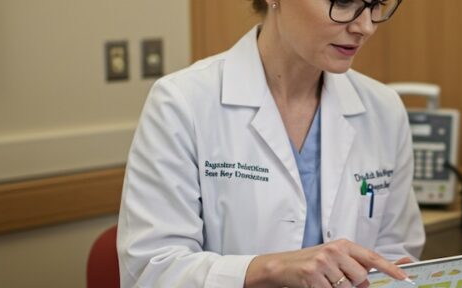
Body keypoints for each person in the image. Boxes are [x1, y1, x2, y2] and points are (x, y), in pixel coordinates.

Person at [117, 0, 424, 287]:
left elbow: (395, 257)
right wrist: (273, 268)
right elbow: (152, 270)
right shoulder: (182, 103)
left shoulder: (383, 108)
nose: (366, 27)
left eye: (375, 4)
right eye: (343, 1)